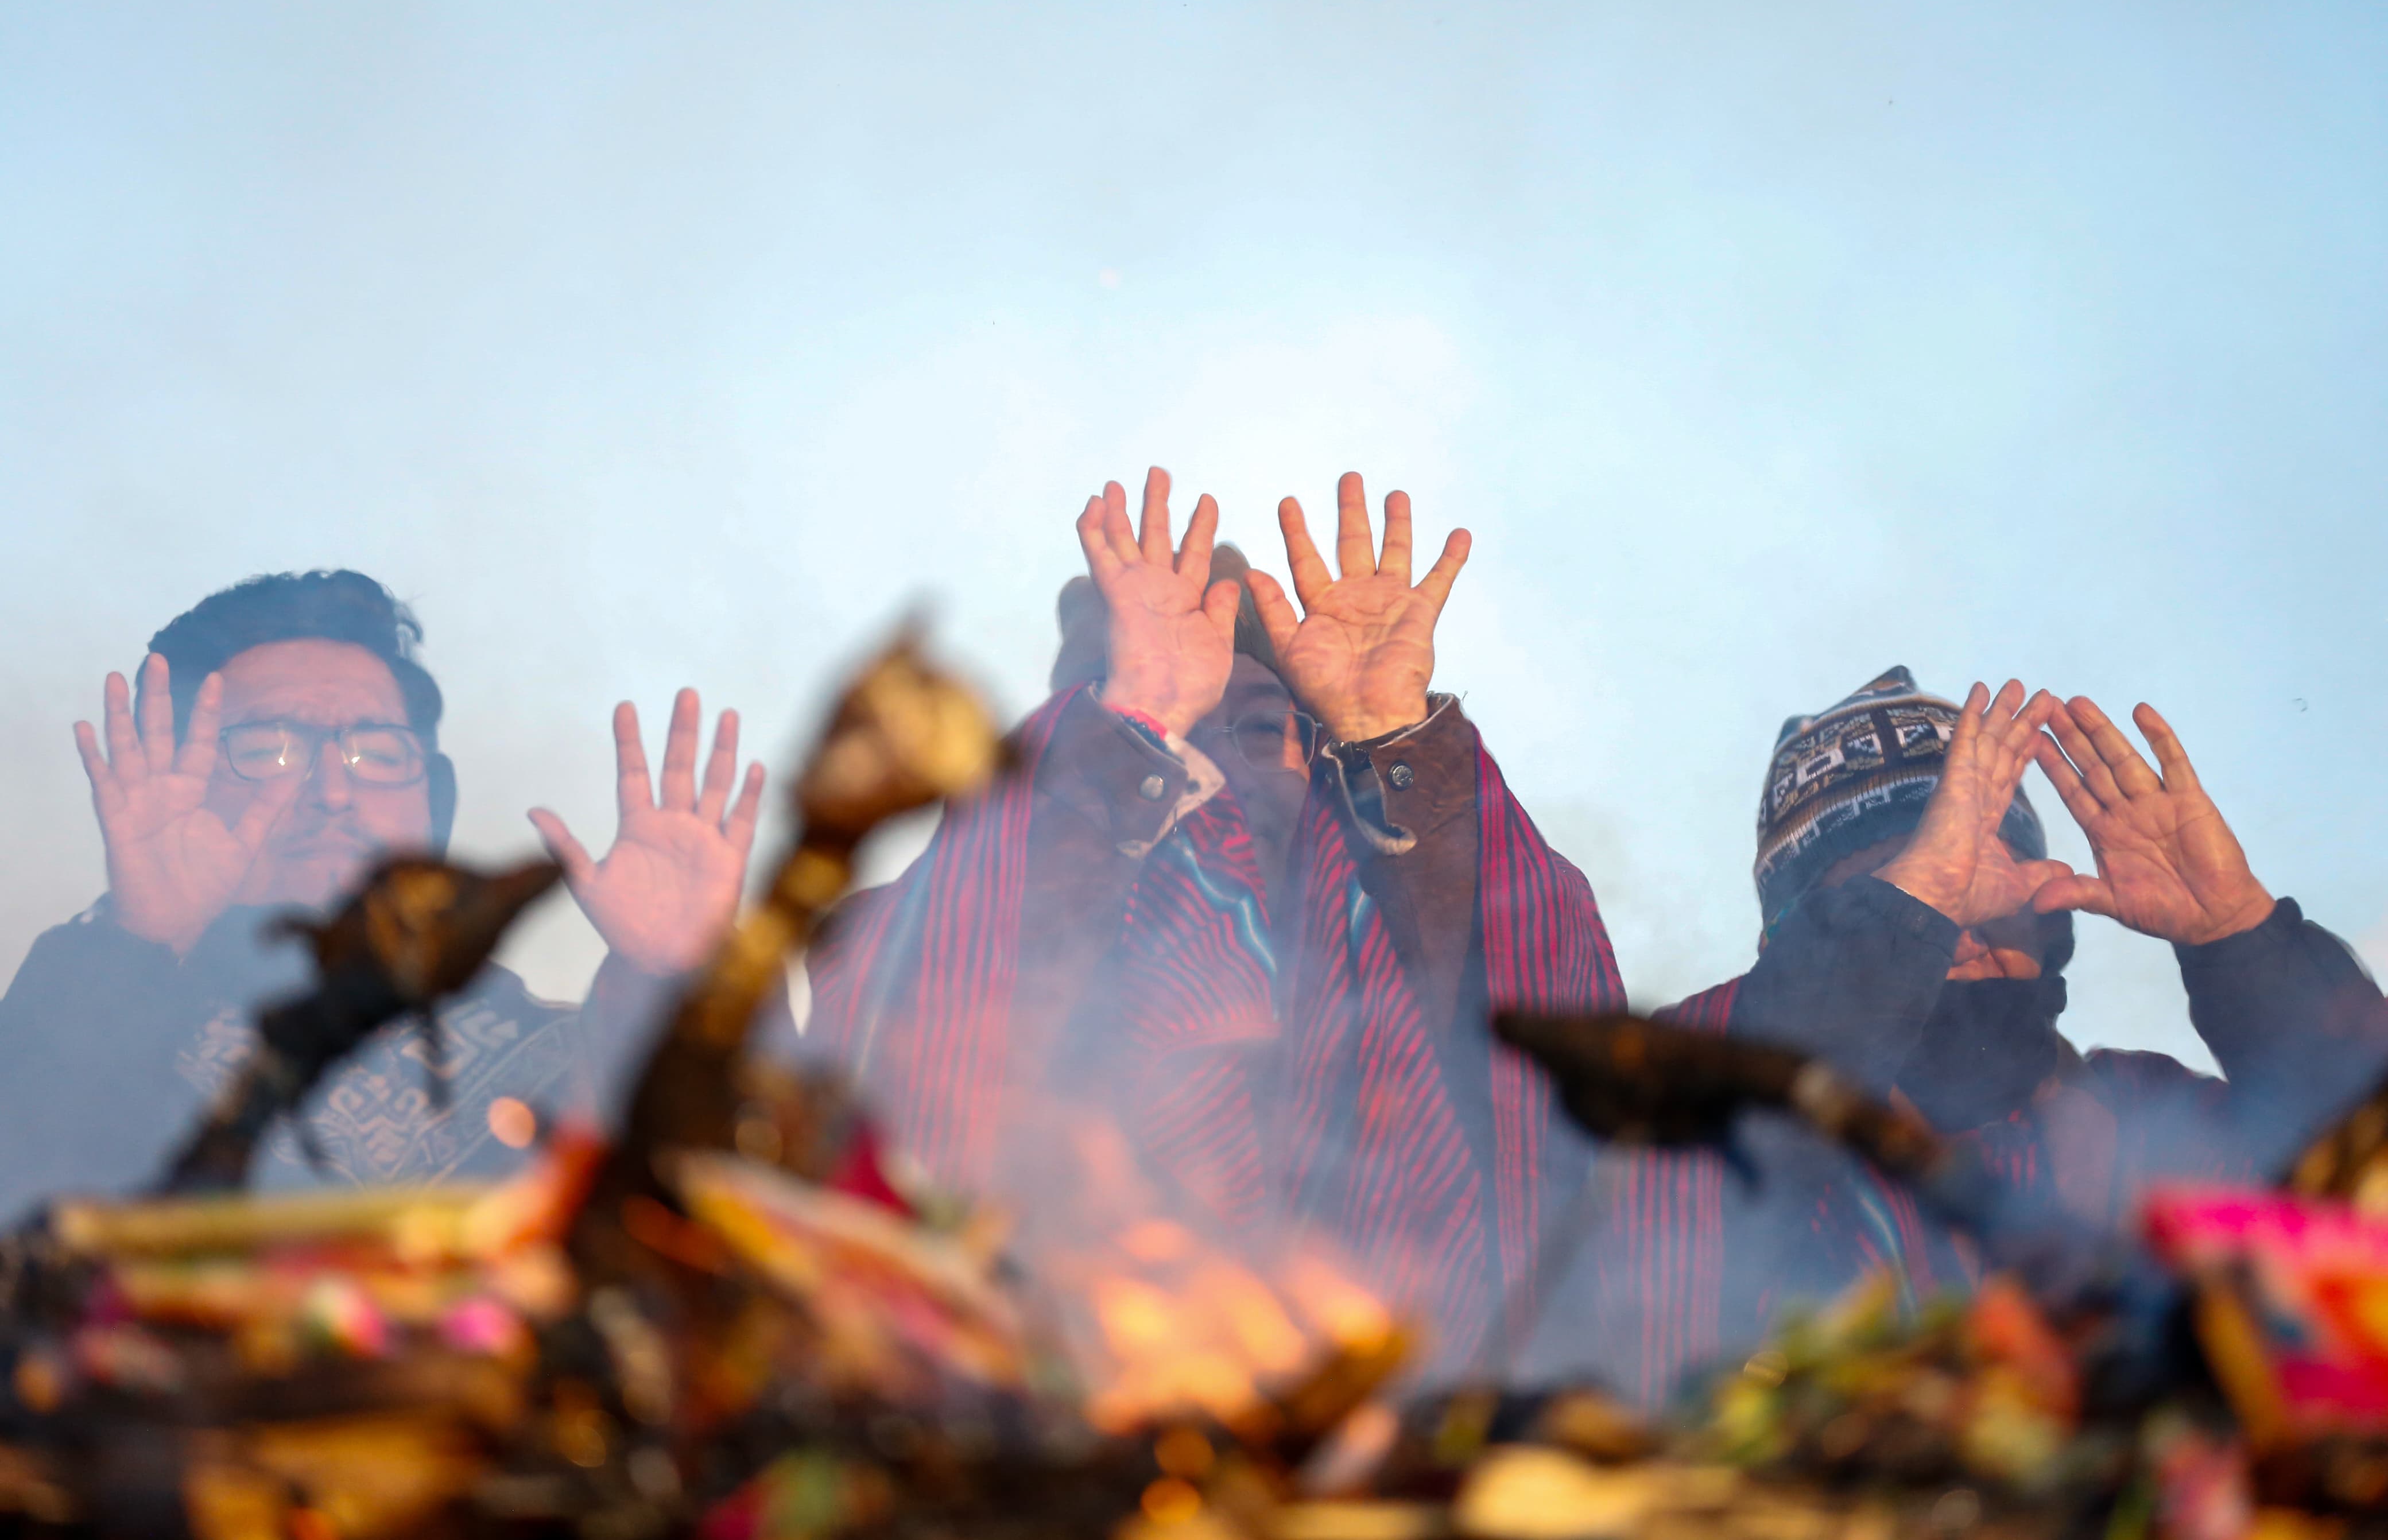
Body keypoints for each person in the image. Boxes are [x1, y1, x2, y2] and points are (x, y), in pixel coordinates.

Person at [805, 469, 1626, 1355]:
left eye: (1264, 726)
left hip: (1407, 1390)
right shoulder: (990, 892)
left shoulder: (1411, 902)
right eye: (1187, 738)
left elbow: (1558, 1035)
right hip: (1048, 1380)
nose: (1226, 772)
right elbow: (913, 1048)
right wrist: (1134, 730)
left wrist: (1396, 742)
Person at [1570, 668, 2388, 1405]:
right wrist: (1898, 927)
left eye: (1987, 886)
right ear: (1793, 945)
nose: (1959, 932)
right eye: (1916, 890)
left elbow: (2362, 1223)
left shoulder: (2146, 1121)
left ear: (2051, 915)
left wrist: (2247, 944)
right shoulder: (1688, 1112)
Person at [0, 569, 765, 1213]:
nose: (332, 791)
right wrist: (140, 936)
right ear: (172, 785)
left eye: (377, 752)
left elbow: (727, 1222)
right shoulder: (81, 1030)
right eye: (268, 749)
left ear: (434, 801)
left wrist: (679, 980)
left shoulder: (551, 1058)